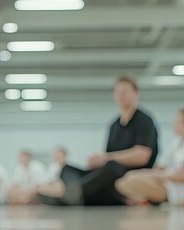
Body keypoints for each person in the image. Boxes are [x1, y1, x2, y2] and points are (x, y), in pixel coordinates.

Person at [44, 75, 159, 206]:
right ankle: (73, 192)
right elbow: (106, 159)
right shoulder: (114, 125)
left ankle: (70, 194)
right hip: (110, 175)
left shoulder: (144, 120)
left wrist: (107, 158)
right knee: (66, 168)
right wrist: (97, 161)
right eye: (118, 91)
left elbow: (142, 155)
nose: (121, 95)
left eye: (125, 91)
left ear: (136, 94)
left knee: (111, 167)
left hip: (130, 173)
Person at [115, 109, 184, 206]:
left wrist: (157, 176)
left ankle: (150, 199)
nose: (174, 123)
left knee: (131, 181)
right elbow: (160, 166)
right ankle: (146, 199)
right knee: (127, 179)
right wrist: (150, 174)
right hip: (173, 186)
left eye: (178, 121)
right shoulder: (177, 143)